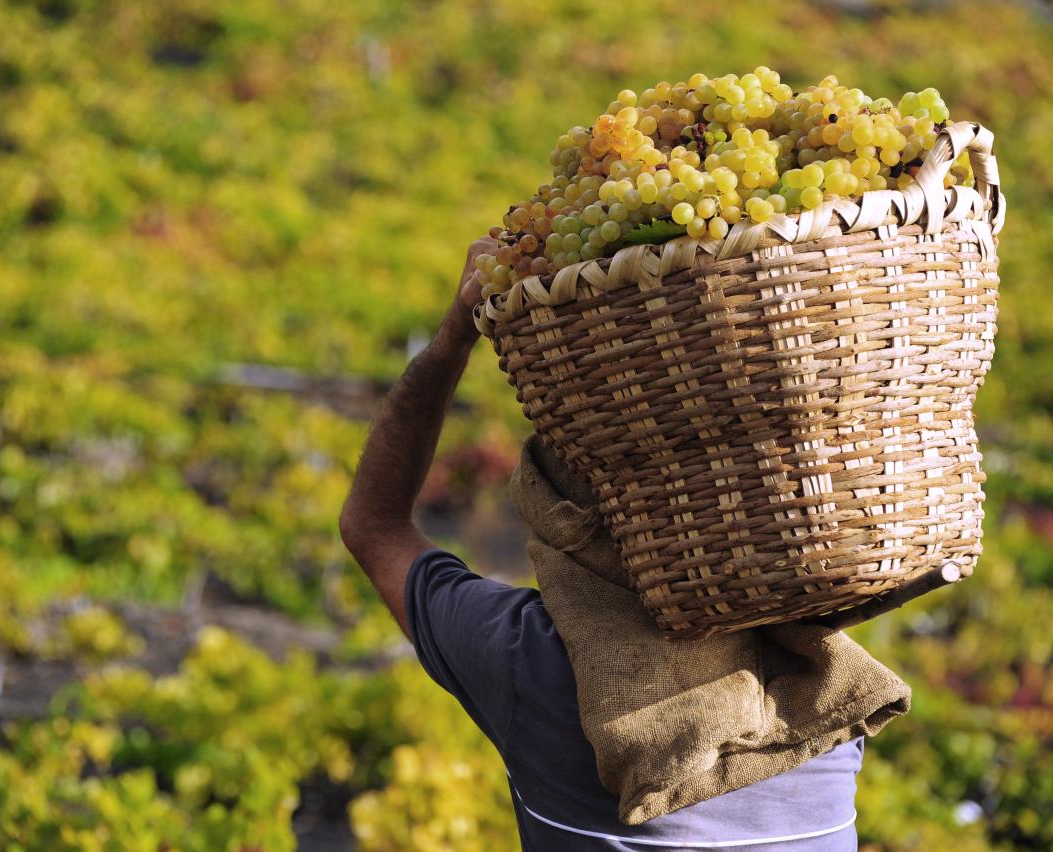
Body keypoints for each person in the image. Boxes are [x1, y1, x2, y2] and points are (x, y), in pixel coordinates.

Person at [339, 238, 867, 850]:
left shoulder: (529, 664)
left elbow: (373, 525)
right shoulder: (822, 680)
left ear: (570, 515)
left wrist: (453, 337)